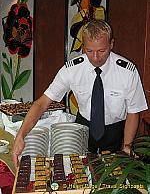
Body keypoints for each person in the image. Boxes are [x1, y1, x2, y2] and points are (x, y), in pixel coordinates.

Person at [12, 19, 148, 168]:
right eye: (89, 51)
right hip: (83, 127)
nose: (95, 58)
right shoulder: (72, 69)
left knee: (110, 175)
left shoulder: (127, 71)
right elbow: (42, 103)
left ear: (111, 44)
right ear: (83, 47)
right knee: (79, 172)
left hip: (115, 131)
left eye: (101, 50)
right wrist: (20, 135)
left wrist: (127, 145)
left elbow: (133, 112)